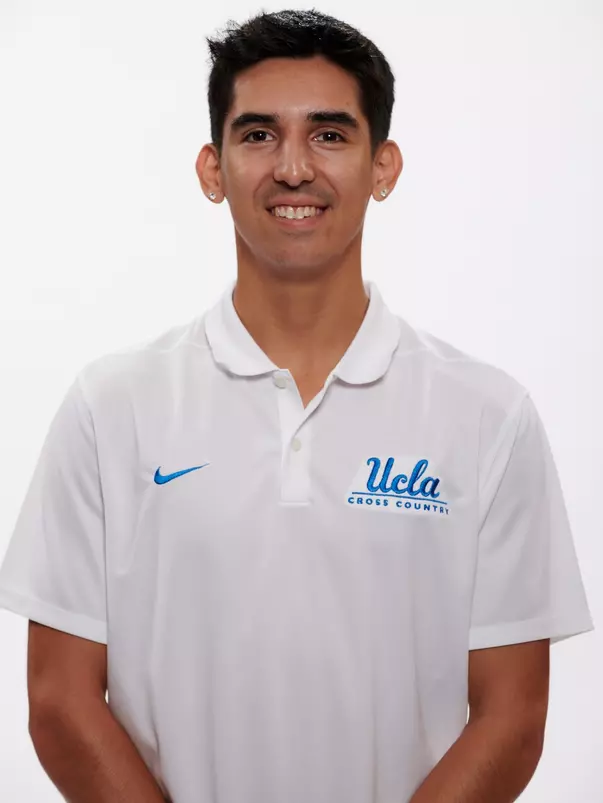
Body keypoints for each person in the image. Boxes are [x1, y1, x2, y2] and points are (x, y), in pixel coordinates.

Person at [0, 9, 595, 803]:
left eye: (328, 134)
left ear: (382, 167)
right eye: (257, 135)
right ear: (212, 170)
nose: (291, 168)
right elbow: (59, 701)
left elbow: (512, 715)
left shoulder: (487, 416)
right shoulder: (110, 407)